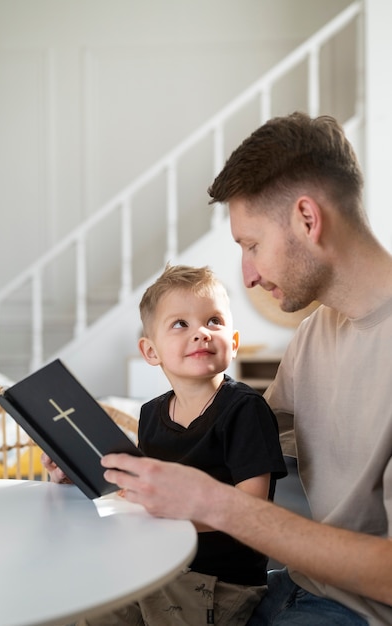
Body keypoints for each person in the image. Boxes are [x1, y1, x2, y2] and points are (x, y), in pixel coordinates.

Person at [99, 113, 392, 626]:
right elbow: (227, 431)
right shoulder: (315, 337)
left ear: (307, 218)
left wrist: (217, 506)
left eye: (251, 245)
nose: (249, 277)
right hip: (291, 586)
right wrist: (95, 463)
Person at [44, 264, 287, 626]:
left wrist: (168, 514)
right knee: (83, 609)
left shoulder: (245, 410)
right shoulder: (151, 414)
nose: (201, 333)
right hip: (154, 564)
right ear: (151, 351)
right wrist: (75, 476)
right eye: (180, 324)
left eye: (215, 321)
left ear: (233, 344)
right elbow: (140, 492)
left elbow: (252, 511)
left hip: (218, 581)